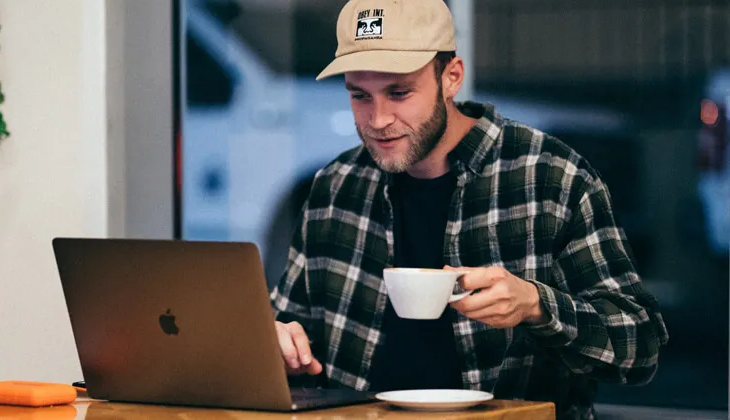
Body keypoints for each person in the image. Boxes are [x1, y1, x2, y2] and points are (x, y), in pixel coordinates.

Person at [269, 0, 669, 418]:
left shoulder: (551, 177)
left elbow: (640, 349)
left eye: (399, 92)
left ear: (451, 78)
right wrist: (278, 344)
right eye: (359, 95)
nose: (379, 119)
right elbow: (289, 331)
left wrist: (536, 306)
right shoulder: (335, 187)